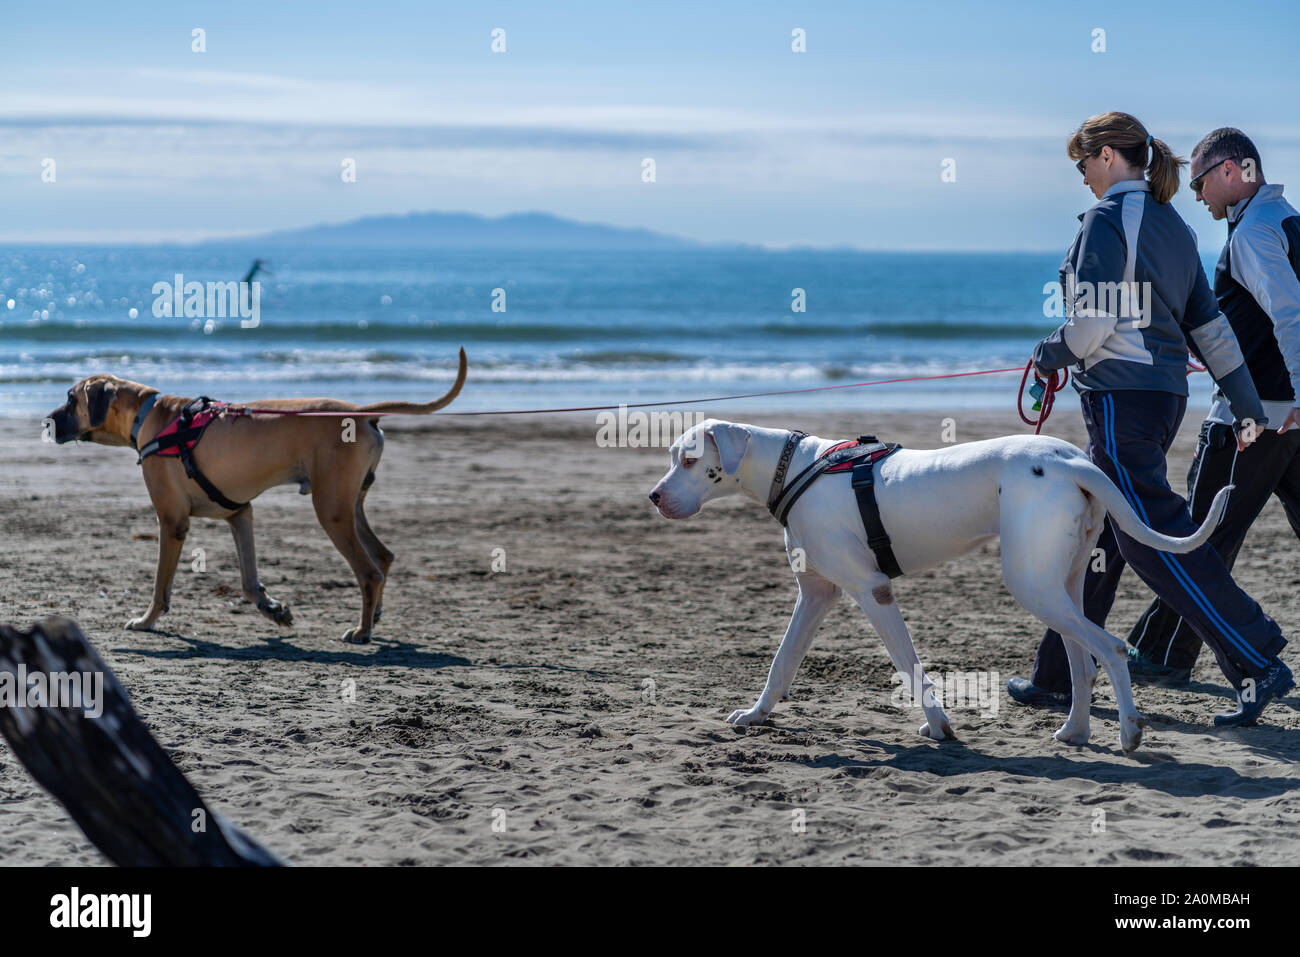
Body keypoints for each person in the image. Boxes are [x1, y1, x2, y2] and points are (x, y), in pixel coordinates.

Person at [1005, 111, 1293, 727]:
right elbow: (1211, 332)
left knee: (1152, 540)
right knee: (1103, 535)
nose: (1081, 177)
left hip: (1120, 400)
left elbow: (1091, 327)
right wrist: (1246, 404)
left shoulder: (1109, 222)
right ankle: (1057, 675)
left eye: (1082, 163)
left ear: (1108, 156)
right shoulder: (1175, 227)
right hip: (1162, 402)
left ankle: (1256, 655)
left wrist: (1049, 351)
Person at [1124, 129, 1300, 686]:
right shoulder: (1288, 219)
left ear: (1229, 171)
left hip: (1257, 418)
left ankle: (1161, 655)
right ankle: (1160, 650)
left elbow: (1291, 316)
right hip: (1285, 416)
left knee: (1202, 536)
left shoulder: (1253, 232)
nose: (1196, 195)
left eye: (1199, 182)